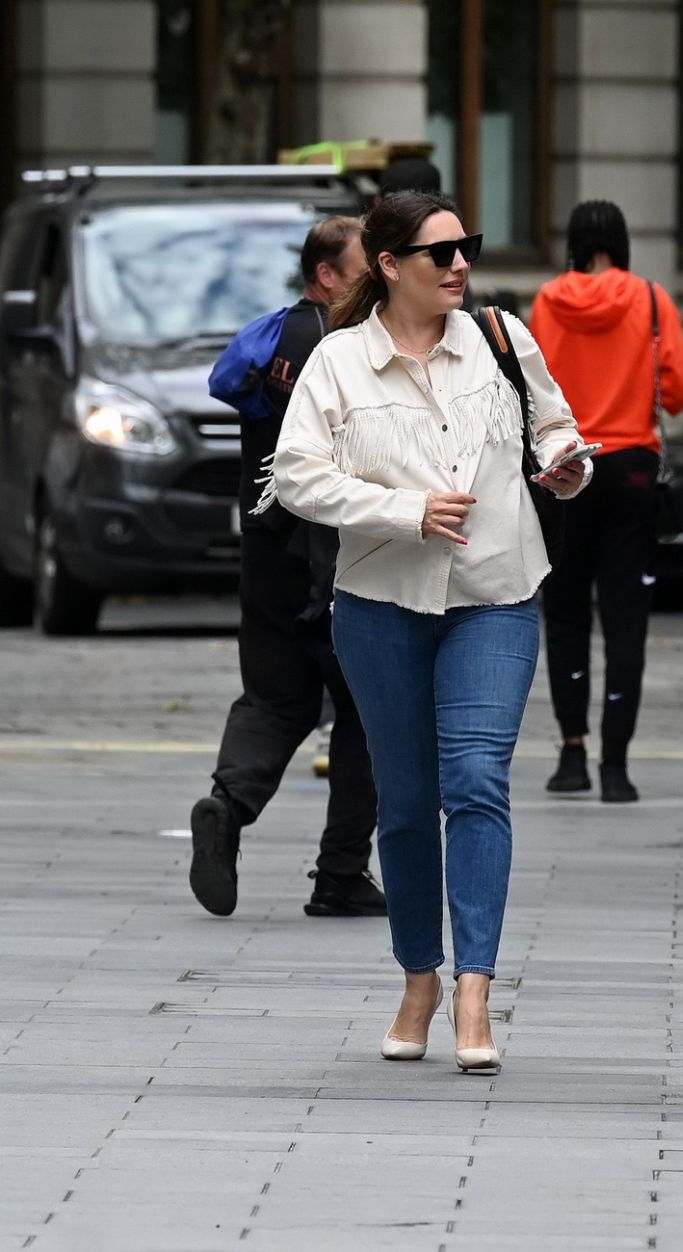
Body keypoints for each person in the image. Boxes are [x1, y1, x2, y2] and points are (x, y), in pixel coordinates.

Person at [264, 191, 590, 1071]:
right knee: (405, 803)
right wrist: (404, 511)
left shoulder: (500, 337)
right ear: (389, 264)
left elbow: (553, 423)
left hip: (497, 590)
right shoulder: (339, 362)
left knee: (476, 778)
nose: (460, 266)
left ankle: (475, 989)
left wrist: (567, 464)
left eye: (466, 249)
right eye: (441, 253)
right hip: (381, 605)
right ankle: (420, 975)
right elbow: (296, 478)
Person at [189, 215, 387, 921]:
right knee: (367, 710)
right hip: (334, 555)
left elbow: (229, 389)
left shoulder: (271, 335)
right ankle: (340, 874)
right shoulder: (347, 346)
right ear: (326, 274)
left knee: (274, 698)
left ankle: (227, 804)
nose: (383, 273)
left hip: (267, 549)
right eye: (369, 263)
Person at [529, 200, 683, 803]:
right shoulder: (651, 300)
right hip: (630, 468)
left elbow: (533, 384)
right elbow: (679, 393)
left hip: (567, 464)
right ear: (621, 241)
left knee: (566, 610)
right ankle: (616, 766)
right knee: (626, 616)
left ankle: (571, 753)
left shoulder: (548, 301)